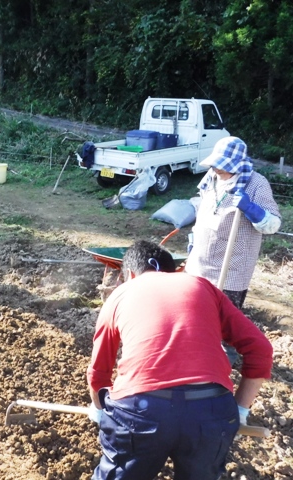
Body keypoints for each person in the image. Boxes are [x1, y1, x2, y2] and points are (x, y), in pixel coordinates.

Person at [87, 240, 273, 480]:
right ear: (174, 271)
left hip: (141, 411)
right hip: (212, 411)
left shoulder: (120, 294)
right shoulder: (202, 286)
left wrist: (100, 410)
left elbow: (99, 373)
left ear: (130, 274)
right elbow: (261, 349)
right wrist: (239, 410)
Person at [185, 136, 281, 309]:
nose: (216, 169)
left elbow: (273, 225)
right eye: (215, 164)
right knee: (195, 315)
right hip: (199, 265)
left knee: (223, 323)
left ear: (237, 165)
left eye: (222, 166)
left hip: (230, 270)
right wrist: (194, 237)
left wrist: (251, 209)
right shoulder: (212, 177)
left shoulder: (256, 184)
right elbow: (203, 210)